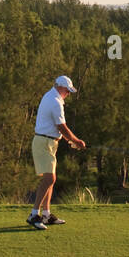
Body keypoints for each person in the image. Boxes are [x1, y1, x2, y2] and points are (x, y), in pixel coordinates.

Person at [27, 75, 85, 230]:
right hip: (44, 142)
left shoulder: (52, 96)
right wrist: (76, 141)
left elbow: (58, 128)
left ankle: (46, 215)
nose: (68, 94)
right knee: (49, 178)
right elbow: (62, 127)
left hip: (49, 142)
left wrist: (69, 140)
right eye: (67, 90)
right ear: (60, 87)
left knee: (50, 179)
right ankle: (34, 214)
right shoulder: (55, 101)